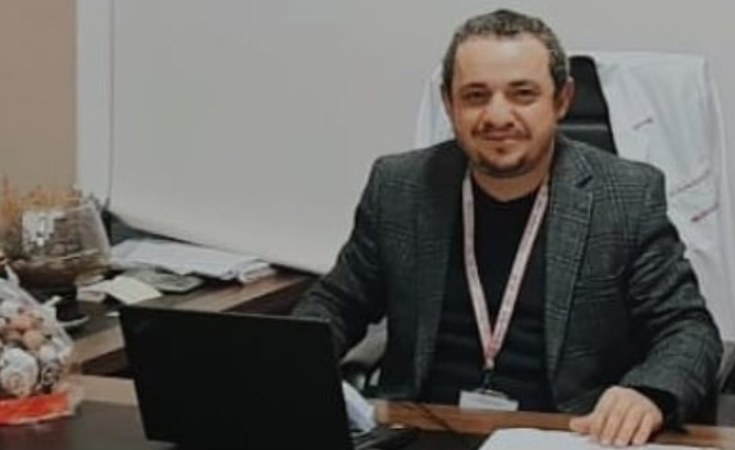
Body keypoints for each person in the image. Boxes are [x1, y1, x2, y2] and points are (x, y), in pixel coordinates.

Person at [293, 9, 722, 446]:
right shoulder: (400, 187)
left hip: (564, 434)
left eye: (523, 94)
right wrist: (293, 369)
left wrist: (647, 393)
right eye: (476, 95)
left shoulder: (626, 196)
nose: (498, 116)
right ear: (449, 104)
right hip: (421, 431)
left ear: (562, 100)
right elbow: (337, 302)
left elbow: (688, 330)